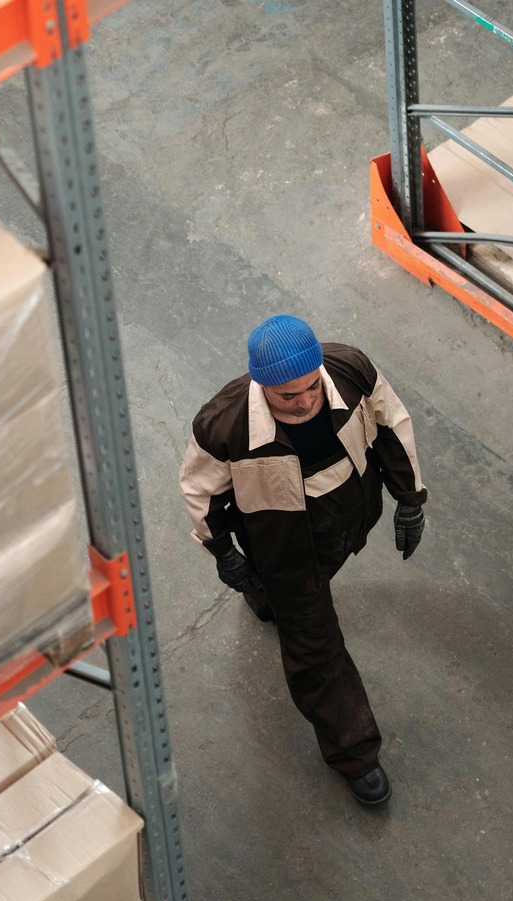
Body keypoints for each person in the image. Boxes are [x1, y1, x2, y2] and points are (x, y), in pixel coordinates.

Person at [179, 314, 427, 806]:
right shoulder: (223, 427)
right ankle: (354, 753)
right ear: (261, 384)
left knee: (280, 595)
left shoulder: (350, 370)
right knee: (315, 651)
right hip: (286, 548)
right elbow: (199, 493)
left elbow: (392, 424)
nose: (307, 401)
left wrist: (410, 497)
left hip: (351, 517)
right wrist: (223, 552)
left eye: (311, 388)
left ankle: (263, 595)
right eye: (288, 396)